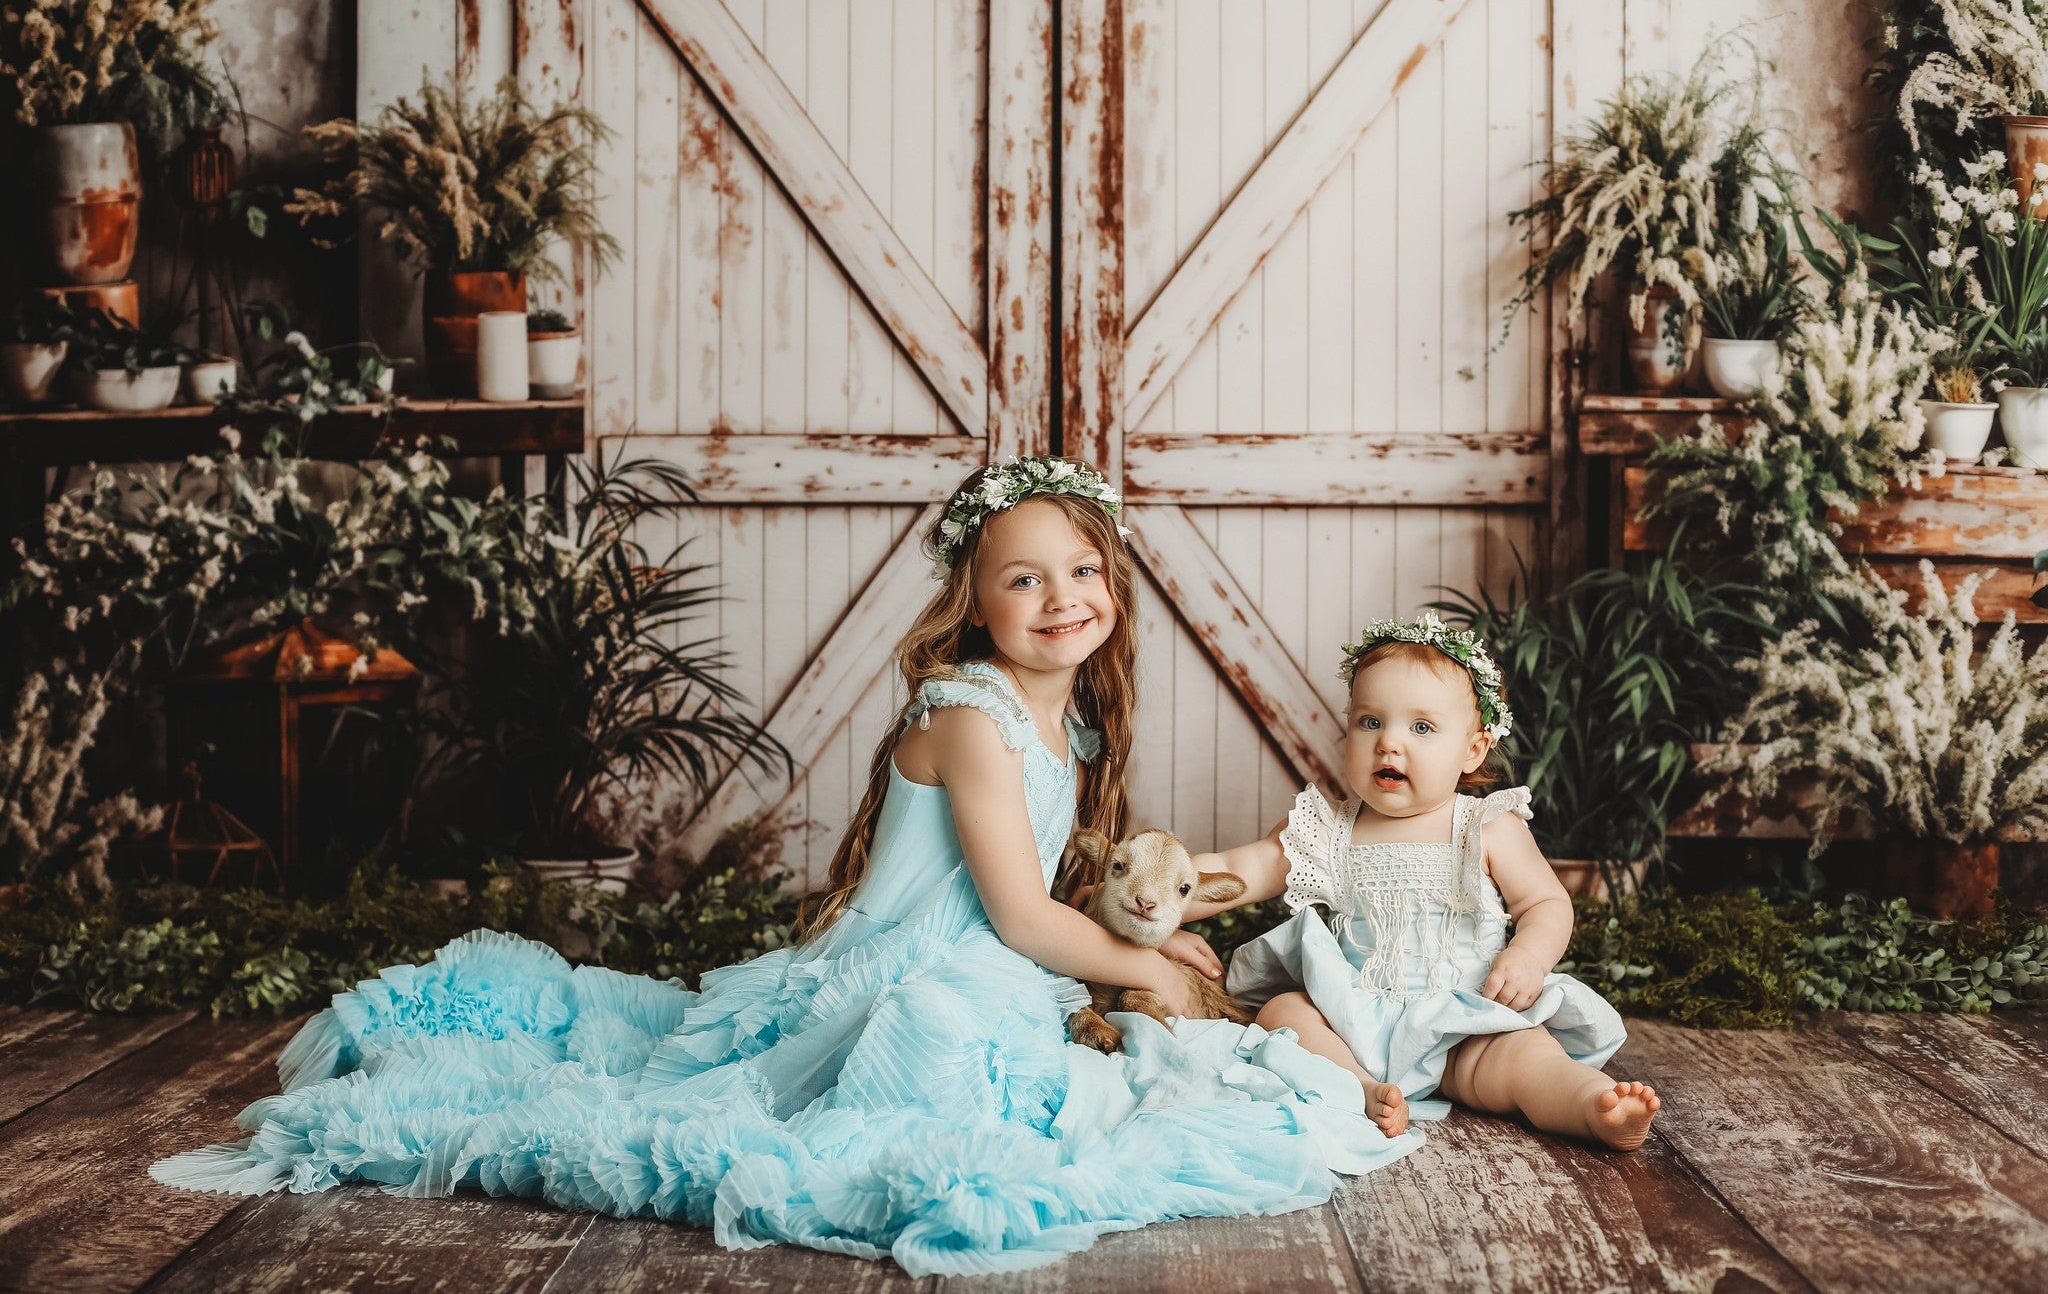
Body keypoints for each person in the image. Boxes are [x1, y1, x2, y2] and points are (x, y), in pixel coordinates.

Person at [151, 456, 1417, 1277]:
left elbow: (1042, 903)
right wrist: (1157, 965)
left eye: (1081, 571)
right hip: (930, 966)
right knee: (942, 1062)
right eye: (1022, 577)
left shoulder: (1065, 716)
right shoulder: (970, 715)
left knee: (1119, 1035)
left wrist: (1158, 926)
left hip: (992, 954)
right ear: (973, 602)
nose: (1061, 595)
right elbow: (1023, 921)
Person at [1191, 614, 1659, 1150]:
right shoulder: (1328, 829)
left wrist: (1529, 956)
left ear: (1473, 750)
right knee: (1284, 1013)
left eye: (1421, 728)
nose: (1390, 744)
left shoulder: (1484, 826)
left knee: (1529, 1058)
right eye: (1370, 722)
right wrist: (1158, 895)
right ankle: (1362, 1089)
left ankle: (1591, 1105)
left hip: (1466, 1021)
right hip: (1356, 1023)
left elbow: (1546, 902)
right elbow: (1241, 869)